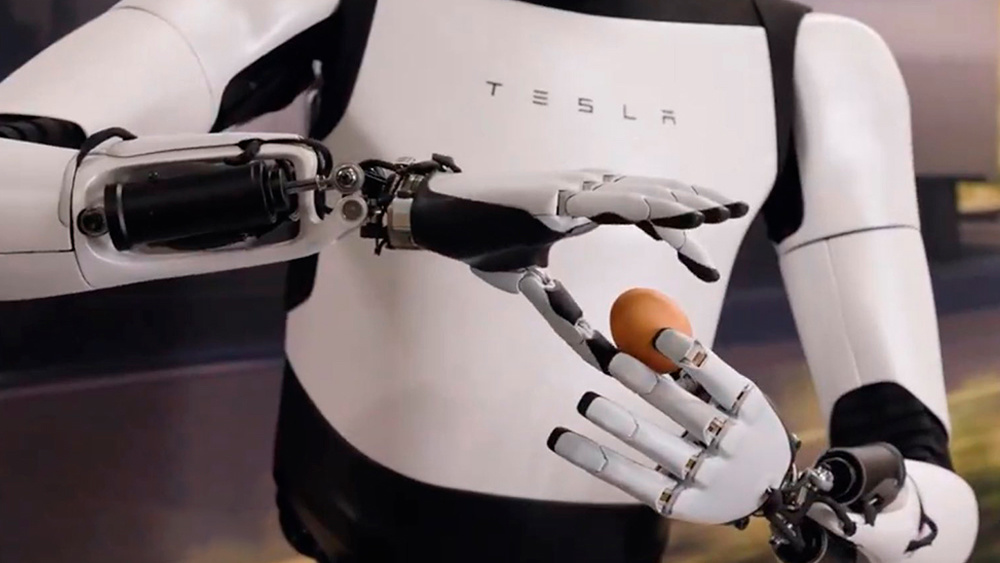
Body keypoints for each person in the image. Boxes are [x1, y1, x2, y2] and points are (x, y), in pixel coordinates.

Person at [0, 1, 978, 562]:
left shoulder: (819, 65)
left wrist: (801, 493)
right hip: (343, 523)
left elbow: (929, 490)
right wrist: (378, 204)